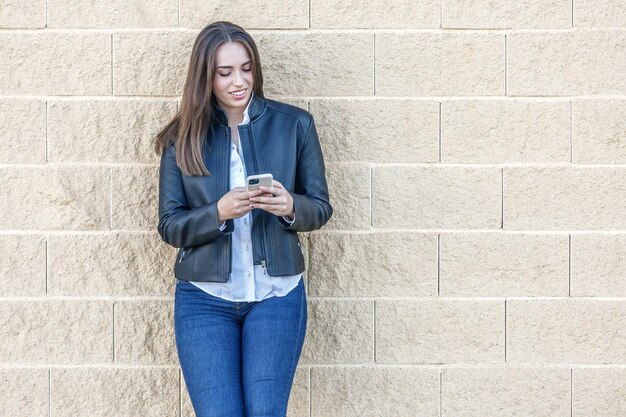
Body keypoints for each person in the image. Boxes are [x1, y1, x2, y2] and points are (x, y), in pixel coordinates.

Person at [154, 21, 332, 417]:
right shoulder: (181, 138)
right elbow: (169, 225)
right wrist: (218, 212)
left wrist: (289, 207)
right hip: (204, 300)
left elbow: (319, 208)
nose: (240, 81)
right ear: (205, 76)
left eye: (246, 68)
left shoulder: (295, 125)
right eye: (225, 72)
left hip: (276, 296)